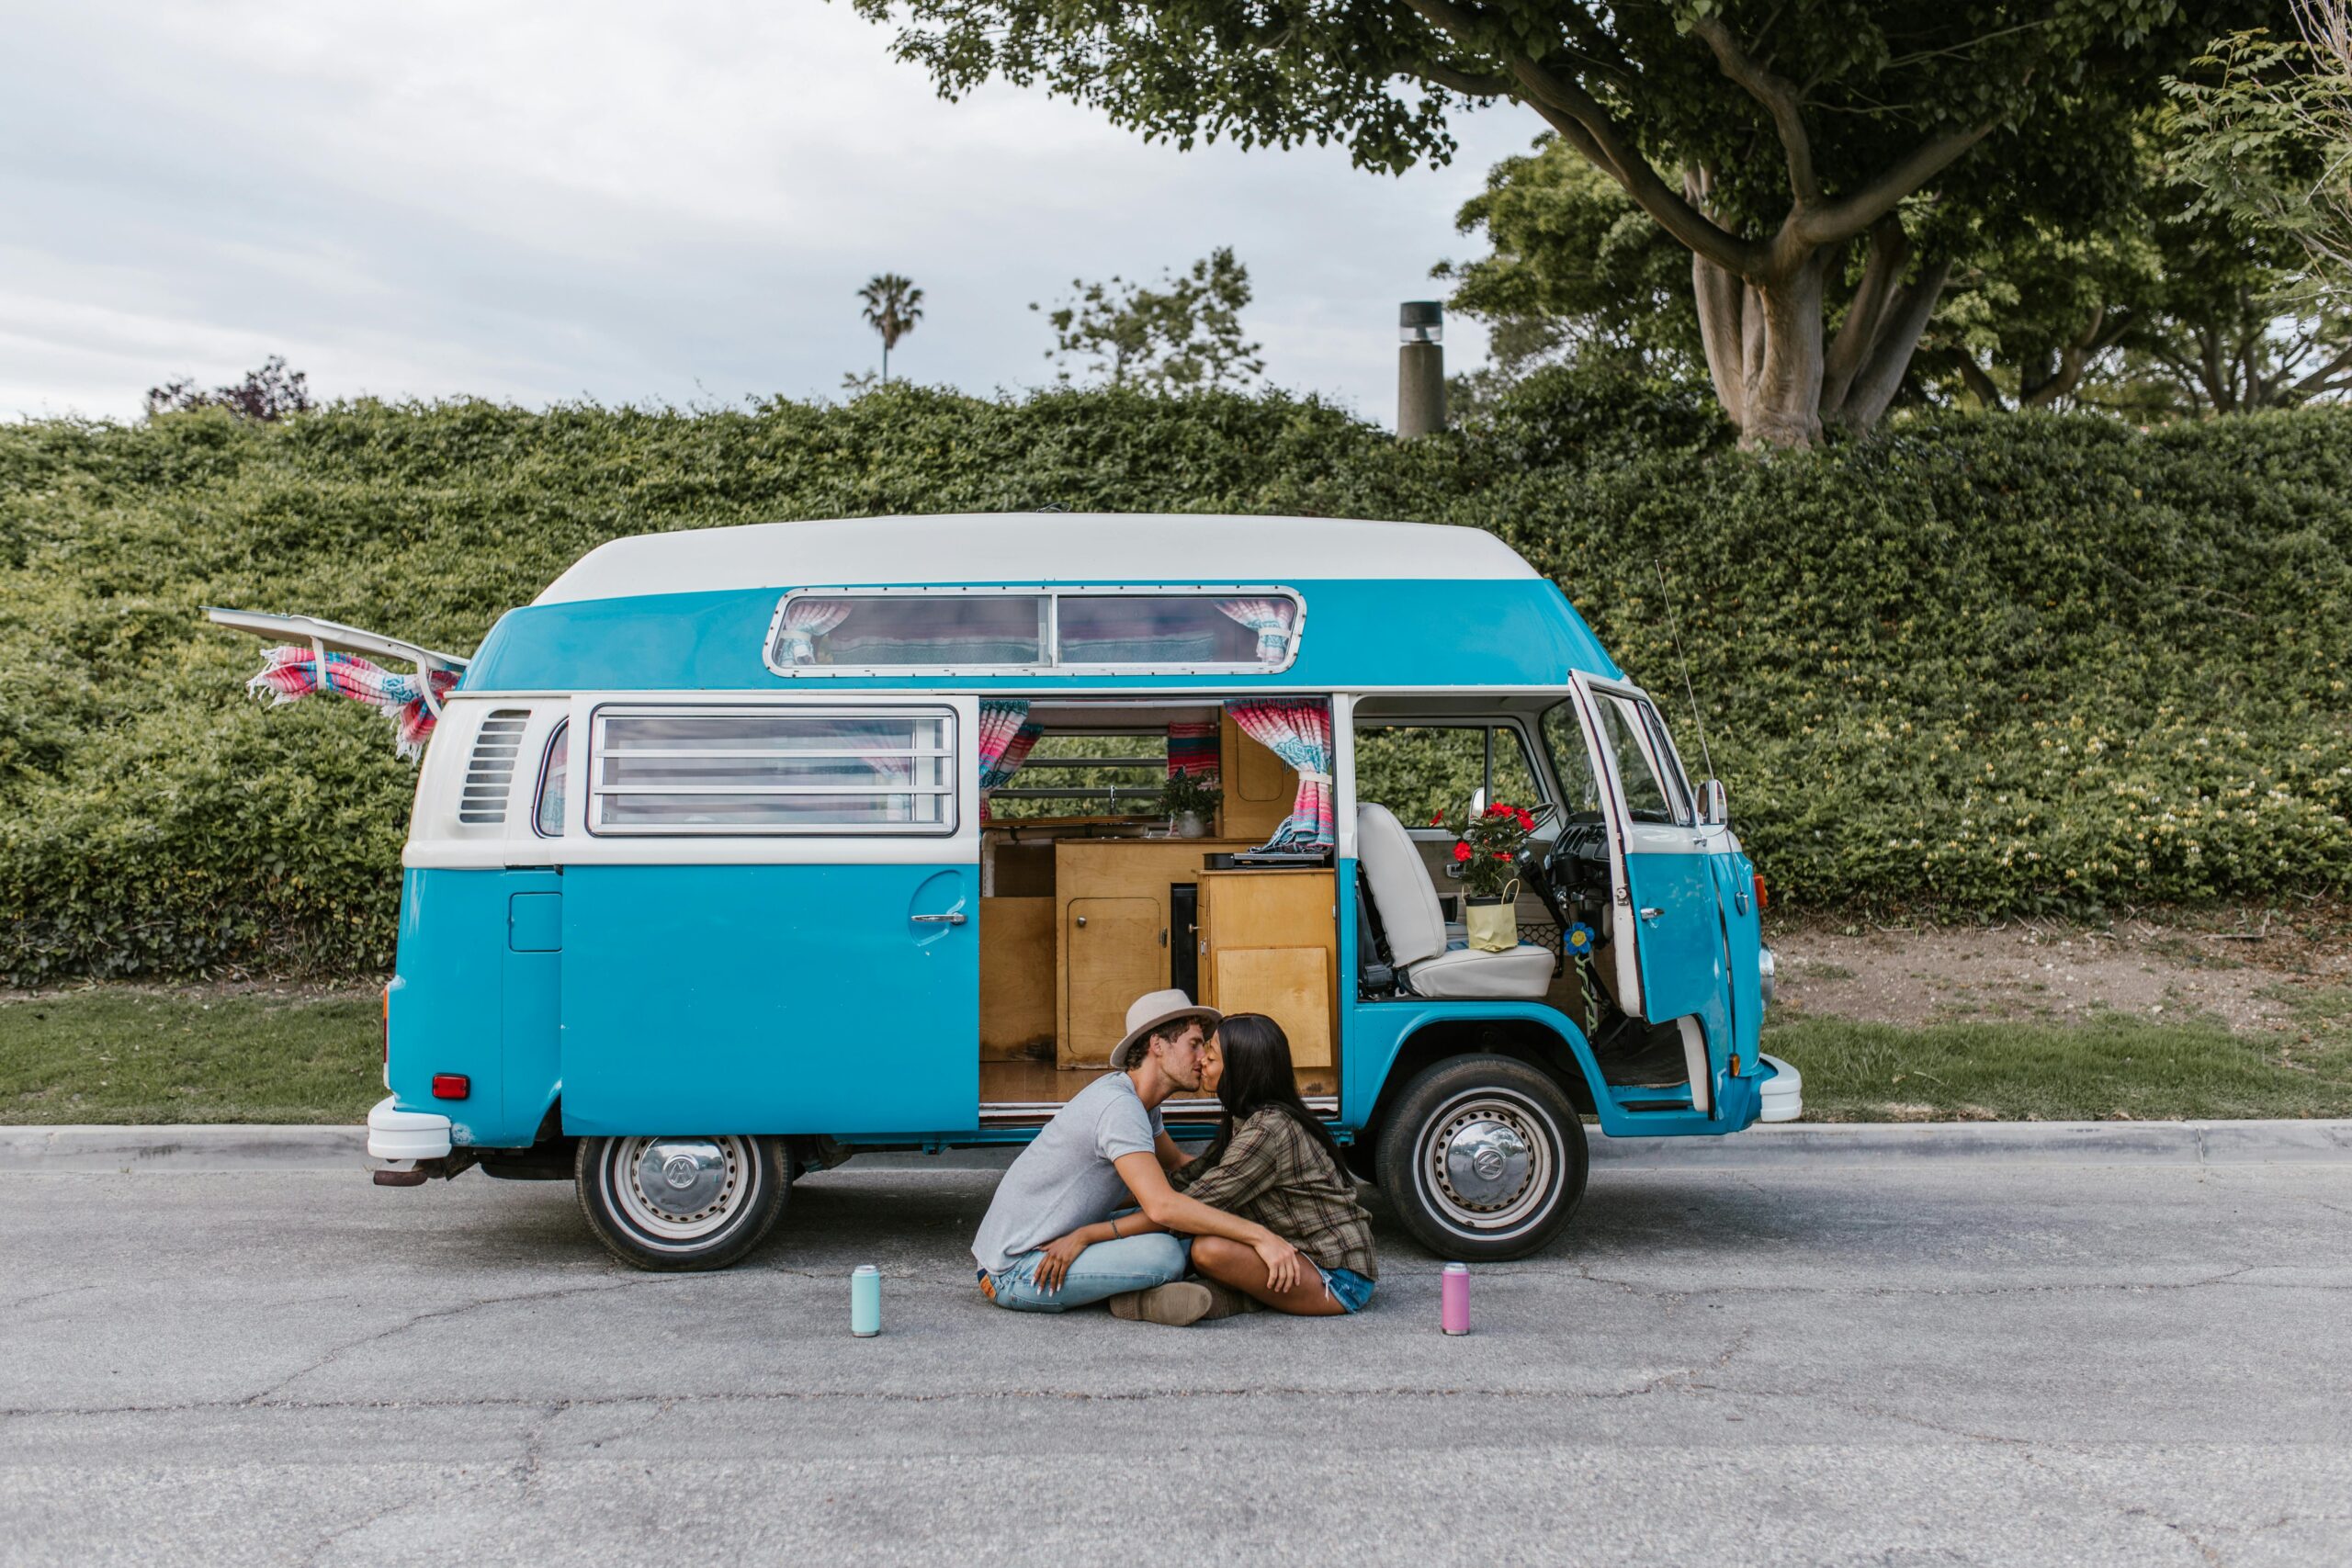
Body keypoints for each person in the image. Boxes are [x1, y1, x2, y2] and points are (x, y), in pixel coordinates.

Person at [970, 989, 1309, 1326]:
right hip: (1017, 1269)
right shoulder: (1120, 1108)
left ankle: (1142, 1292)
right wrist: (1259, 1235)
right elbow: (1163, 1206)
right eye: (1194, 1044)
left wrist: (1256, 1187)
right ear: (1157, 1045)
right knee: (1164, 1254)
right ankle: (1139, 1297)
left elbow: (1179, 1165)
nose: (1203, 1057)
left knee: (1197, 1222)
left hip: (1061, 1242)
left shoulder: (1140, 1103)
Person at [1037, 1013, 1377, 1317]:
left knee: (1207, 1250)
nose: (1201, 1062)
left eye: (1210, 1055)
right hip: (1291, 1252)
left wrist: (1088, 1234)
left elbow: (1186, 1207)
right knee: (1194, 1237)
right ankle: (1214, 1299)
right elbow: (1184, 1180)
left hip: (1335, 1276)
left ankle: (1232, 1299)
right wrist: (1095, 1204)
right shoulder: (1245, 1119)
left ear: (1239, 1069)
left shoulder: (1268, 1131)